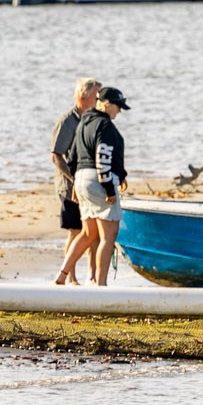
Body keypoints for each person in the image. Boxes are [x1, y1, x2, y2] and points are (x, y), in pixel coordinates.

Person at [54, 87, 131, 286]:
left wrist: (75, 187)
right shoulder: (104, 125)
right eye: (118, 107)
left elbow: (72, 157)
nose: (119, 112)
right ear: (106, 104)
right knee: (108, 235)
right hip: (99, 180)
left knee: (88, 233)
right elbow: (102, 155)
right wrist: (108, 187)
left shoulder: (83, 122)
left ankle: (62, 275)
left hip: (80, 179)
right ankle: (101, 284)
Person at [49, 78, 103, 281]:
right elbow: (56, 155)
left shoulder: (94, 120)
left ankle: (92, 275)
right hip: (69, 185)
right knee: (75, 231)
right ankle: (70, 276)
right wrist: (75, 179)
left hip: (90, 185)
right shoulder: (67, 121)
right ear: (84, 97)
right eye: (96, 96)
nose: (100, 100)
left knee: (93, 232)